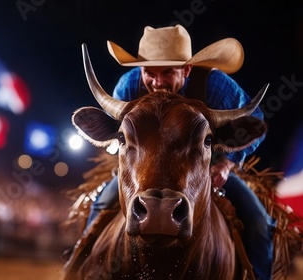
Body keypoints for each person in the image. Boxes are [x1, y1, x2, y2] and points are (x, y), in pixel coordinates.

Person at [70, 25, 276, 280]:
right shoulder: (129, 85)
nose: (157, 82)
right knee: (100, 204)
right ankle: (76, 265)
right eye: (149, 72)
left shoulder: (216, 86)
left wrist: (225, 165)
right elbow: (120, 143)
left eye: (167, 71)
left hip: (206, 171)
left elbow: (254, 120)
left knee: (259, 223)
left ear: (186, 69)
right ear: (140, 70)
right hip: (142, 176)